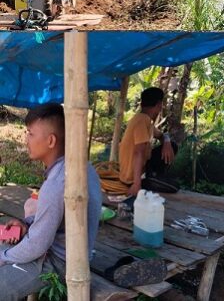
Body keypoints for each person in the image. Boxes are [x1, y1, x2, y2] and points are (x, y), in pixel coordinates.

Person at [0, 104, 102, 300]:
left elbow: (38, 245)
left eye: (30, 133)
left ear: (51, 141)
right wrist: (27, 224)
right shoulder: (82, 166)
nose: (25, 139)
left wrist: (4, 257)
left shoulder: (57, 183)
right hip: (64, 252)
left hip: (59, 262)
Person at [118, 87, 176, 197]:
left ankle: (154, 177)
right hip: (131, 179)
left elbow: (162, 135)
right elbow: (138, 152)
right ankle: (151, 178)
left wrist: (167, 142)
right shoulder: (142, 120)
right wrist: (136, 184)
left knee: (172, 145)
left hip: (138, 173)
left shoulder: (146, 121)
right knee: (174, 187)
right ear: (159, 105)